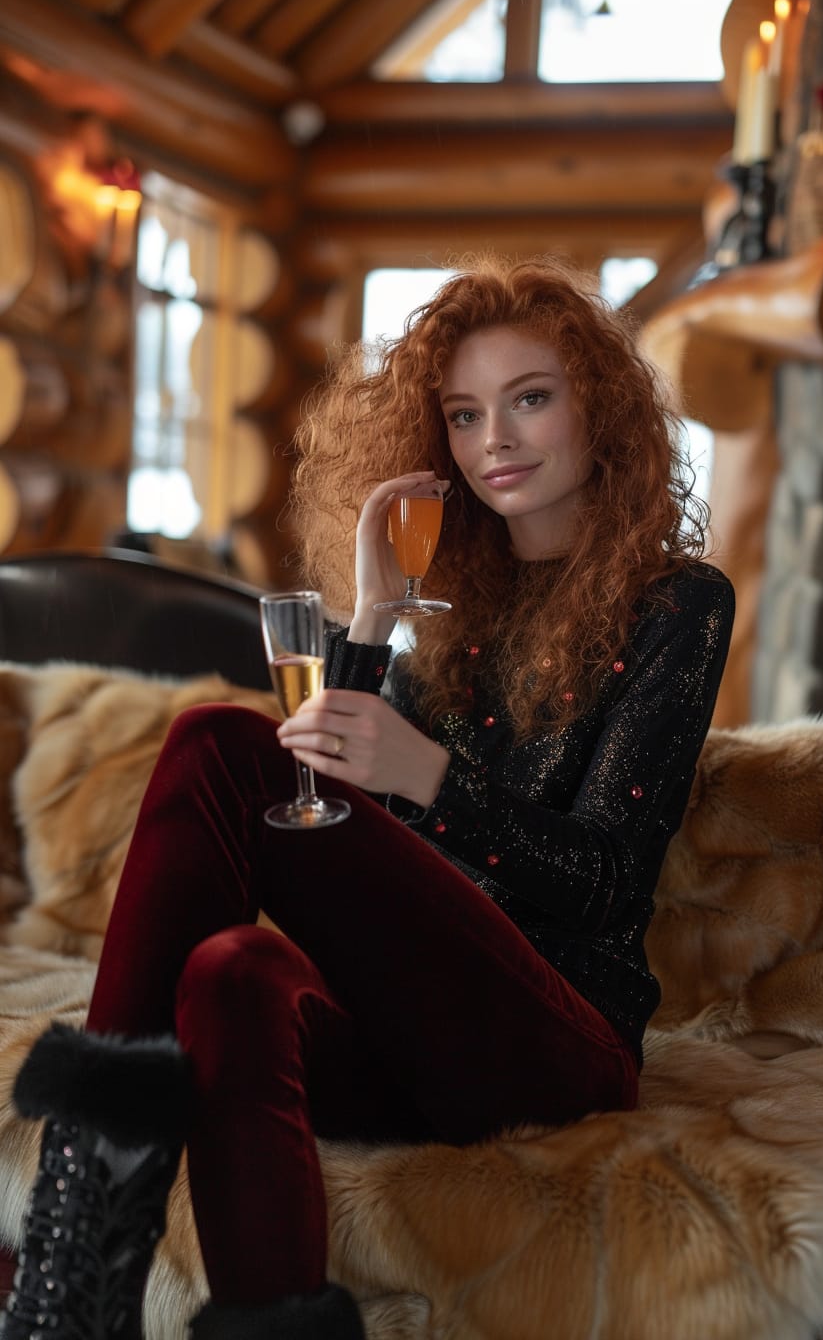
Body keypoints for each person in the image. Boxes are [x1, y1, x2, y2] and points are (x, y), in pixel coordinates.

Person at [2, 254, 734, 1340]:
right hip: (414, 1025)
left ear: (600, 409)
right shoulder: (453, 606)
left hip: (556, 1037)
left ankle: (72, 1253)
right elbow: (327, 815)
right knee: (230, 969)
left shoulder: (679, 604)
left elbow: (605, 881)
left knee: (217, 739)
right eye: (463, 413)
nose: (495, 440)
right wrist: (374, 620)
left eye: (529, 399)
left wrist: (430, 777)